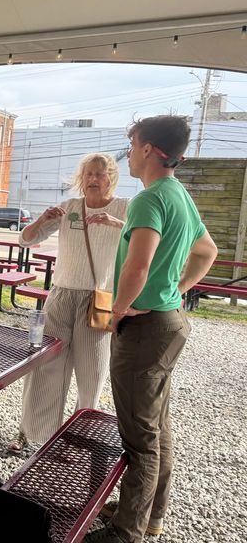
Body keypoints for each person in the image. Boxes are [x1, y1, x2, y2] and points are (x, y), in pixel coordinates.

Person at [85, 116, 217, 543]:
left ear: (147, 150)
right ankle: (148, 514)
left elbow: (139, 266)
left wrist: (119, 312)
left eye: (132, 143)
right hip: (169, 324)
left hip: (144, 330)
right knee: (157, 425)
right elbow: (206, 250)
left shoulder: (148, 198)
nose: (128, 151)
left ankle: (128, 531)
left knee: (140, 438)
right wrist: (176, 290)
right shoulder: (178, 194)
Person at [7, 153, 128, 454]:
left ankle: (80, 438)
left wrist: (116, 223)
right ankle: (31, 433)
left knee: (92, 372)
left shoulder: (126, 208)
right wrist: (42, 220)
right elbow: (24, 239)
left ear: (111, 177)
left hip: (98, 300)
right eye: (88, 174)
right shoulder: (70, 207)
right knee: (46, 367)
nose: (93, 179)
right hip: (61, 295)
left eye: (100, 174)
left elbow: (146, 240)